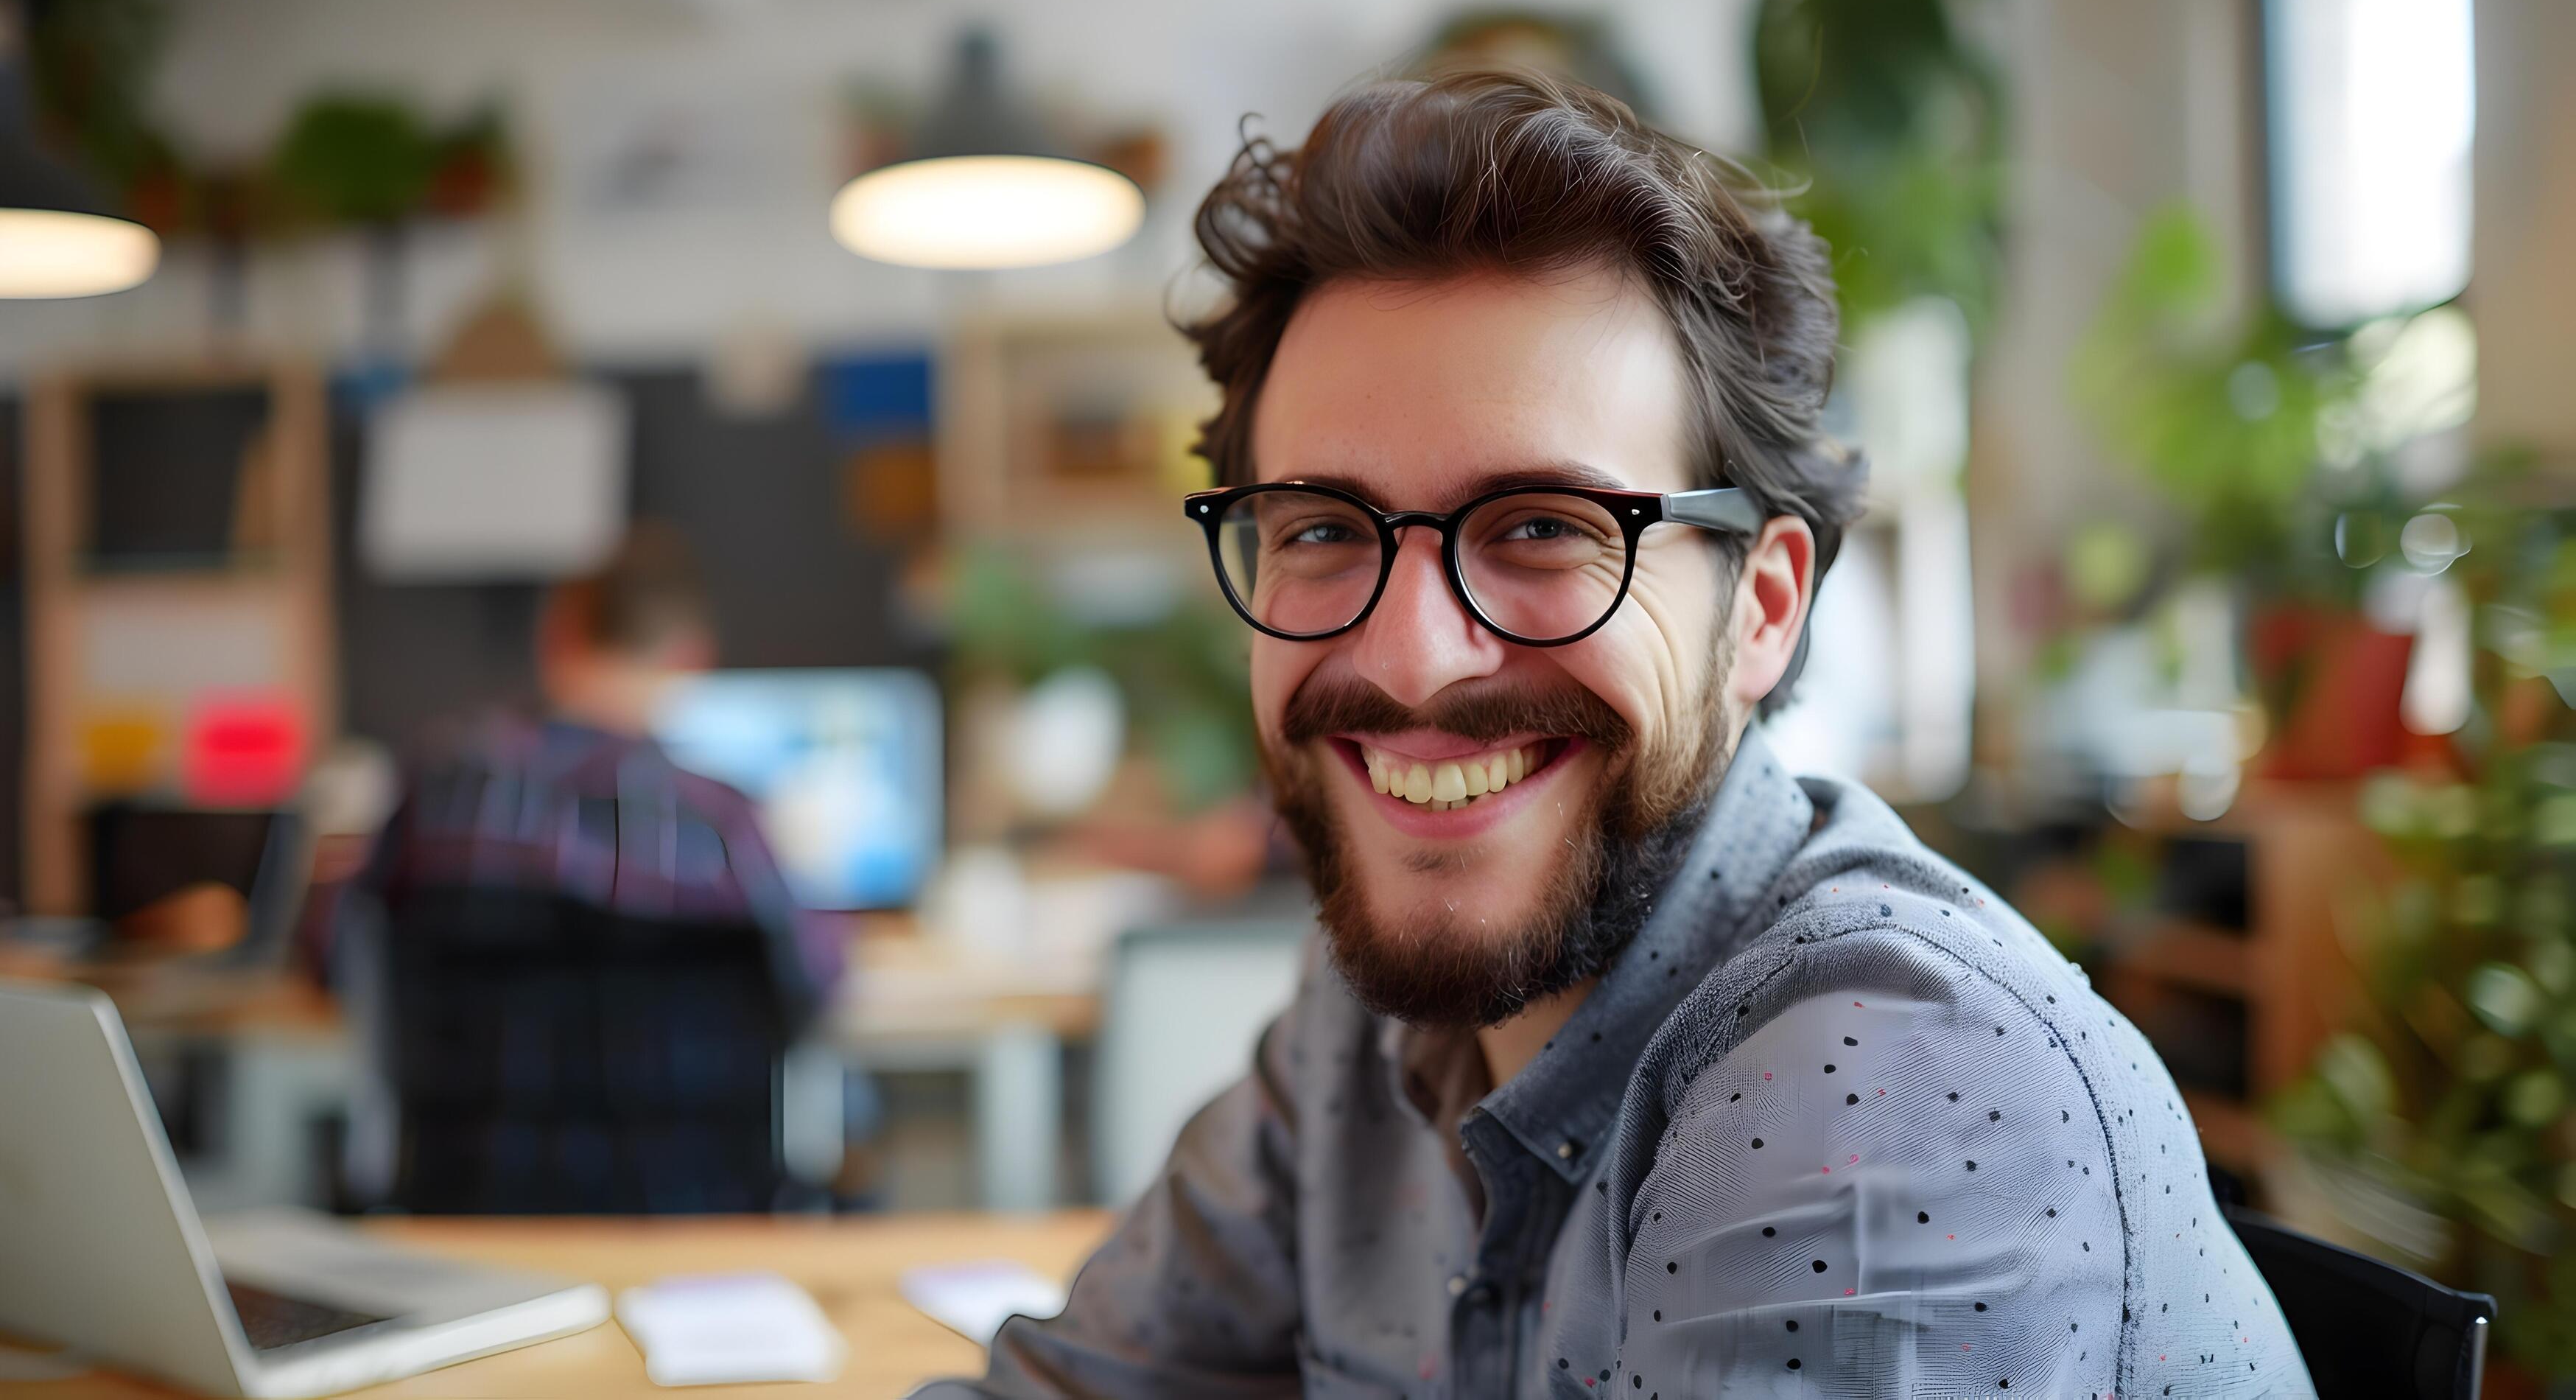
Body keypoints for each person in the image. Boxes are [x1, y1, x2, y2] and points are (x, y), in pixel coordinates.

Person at [922, 69, 2309, 1397]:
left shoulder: (1887, 1082)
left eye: (1541, 529)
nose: (1409, 655)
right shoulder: (1371, 1018)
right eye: (1325, 532)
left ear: (1760, 608)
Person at [330, 526, 852, 1204]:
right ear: (691, 659)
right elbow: (811, 989)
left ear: (557, 634)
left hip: (469, 1208)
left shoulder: (437, 788)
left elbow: (337, 953)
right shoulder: (723, 821)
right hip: (696, 1214)